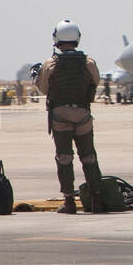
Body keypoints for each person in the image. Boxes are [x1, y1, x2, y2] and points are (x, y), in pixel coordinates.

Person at [35, 19, 106, 214]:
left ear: (56, 38)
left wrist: (36, 78)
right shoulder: (88, 62)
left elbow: (43, 89)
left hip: (60, 115)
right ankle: (97, 201)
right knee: (89, 157)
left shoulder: (51, 63)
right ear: (77, 38)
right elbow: (95, 81)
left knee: (64, 158)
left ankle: (69, 202)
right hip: (83, 114)